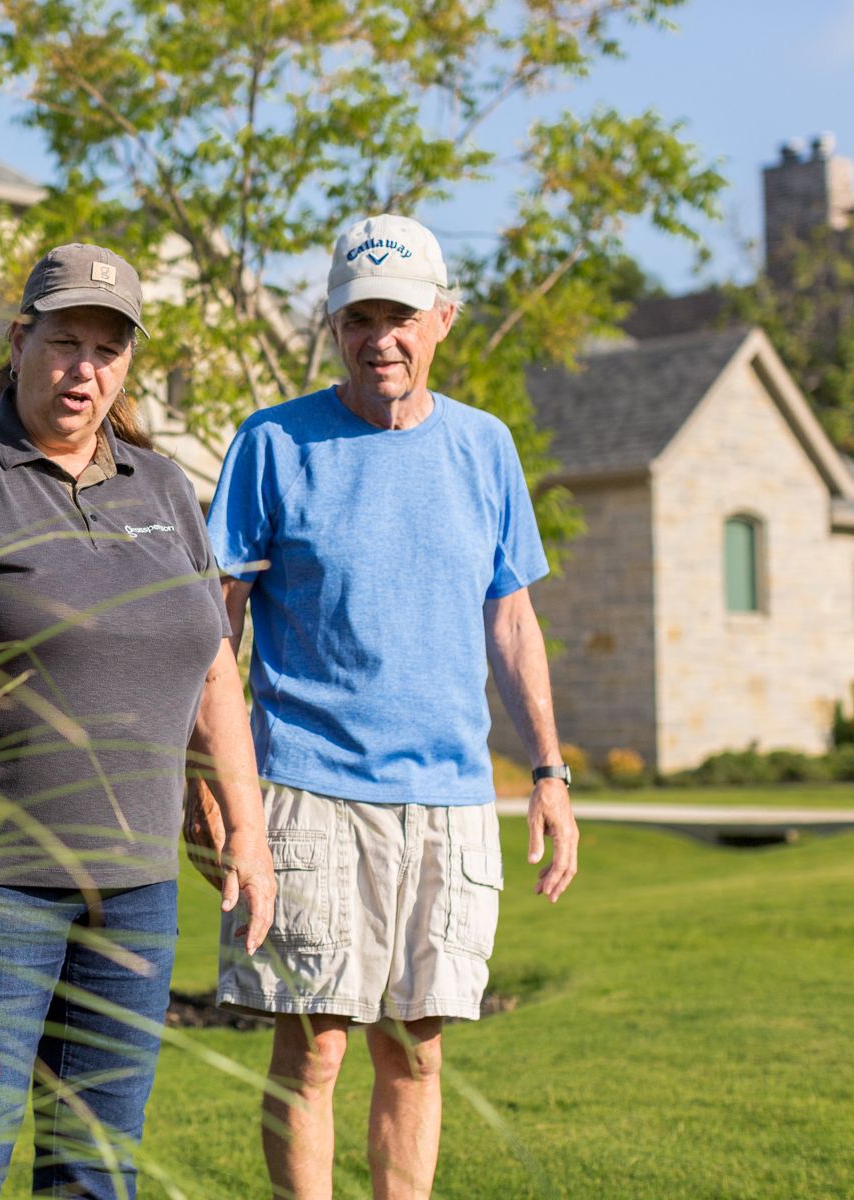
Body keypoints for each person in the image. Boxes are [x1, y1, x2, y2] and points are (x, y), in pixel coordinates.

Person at [0, 243, 276, 1198]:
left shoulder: (163, 488)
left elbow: (214, 668)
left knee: (96, 1167)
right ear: (19, 342)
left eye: (107, 348)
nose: (85, 368)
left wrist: (245, 830)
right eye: (65, 341)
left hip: (133, 885)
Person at [189, 214, 580, 1200]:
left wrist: (549, 772)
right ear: (333, 327)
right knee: (313, 1055)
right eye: (360, 318)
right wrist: (215, 787)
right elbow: (209, 631)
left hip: (450, 800)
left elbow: (513, 622)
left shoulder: (485, 449)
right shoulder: (272, 443)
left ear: (442, 319)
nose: (382, 339)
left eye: (401, 316)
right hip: (304, 790)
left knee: (418, 1055)